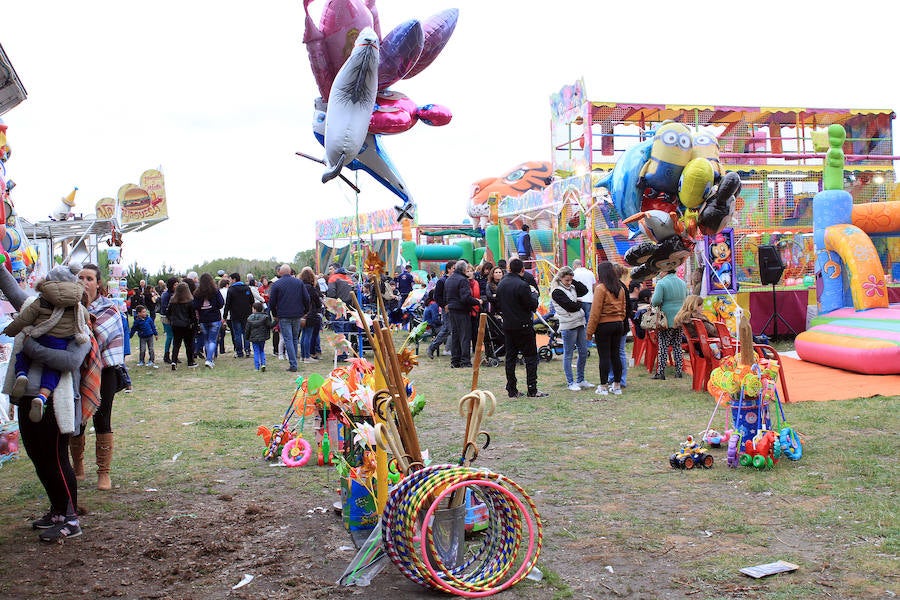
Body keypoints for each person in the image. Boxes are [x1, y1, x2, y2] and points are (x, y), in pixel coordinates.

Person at [0, 264, 92, 541]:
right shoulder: (35, 306)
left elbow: (70, 361)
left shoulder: (79, 319)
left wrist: (31, 347)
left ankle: (71, 518)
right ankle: (57, 511)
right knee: (38, 457)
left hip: (56, 401)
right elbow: (9, 285)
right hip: (28, 396)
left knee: (55, 458)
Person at [3, 265, 92, 422]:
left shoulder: (37, 303)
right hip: (56, 399)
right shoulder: (78, 316)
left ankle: (21, 375)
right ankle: (42, 396)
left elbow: (70, 362)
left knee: (22, 357)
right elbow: (69, 361)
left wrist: (29, 345)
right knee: (52, 371)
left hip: (30, 396)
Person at [77, 263, 126, 491]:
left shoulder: (110, 309)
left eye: (89, 278)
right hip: (75, 368)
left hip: (105, 370)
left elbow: (95, 335)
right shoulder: (68, 307)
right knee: (76, 419)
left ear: (98, 283)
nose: (84, 282)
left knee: (102, 418)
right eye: (81, 278)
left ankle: (103, 473)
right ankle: (77, 466)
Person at [494, 258, 547, 398]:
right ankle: (532, 388)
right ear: (522, 270)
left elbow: (497, 304)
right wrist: (534, 295)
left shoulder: (502, 283)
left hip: (508, 325)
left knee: (510, 358)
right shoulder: (522, 285)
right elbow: (531, 305)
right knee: (530, 357)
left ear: (509, 269)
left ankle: (512, 388)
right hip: (523, 325)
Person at [586, 261, 627, 396]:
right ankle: (617, 385)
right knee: (616, 355)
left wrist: (589, 331)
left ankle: (603, 386)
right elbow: (623, 308)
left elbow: (595, 312)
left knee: (604, 356)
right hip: (618, 324)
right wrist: (620, 320)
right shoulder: (620, 288)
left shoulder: (601, 288)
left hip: (604, 325)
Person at [550, 266, 592, 391]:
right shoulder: (557, 292)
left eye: (571, 280)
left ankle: (581, 379)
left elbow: (584, 290)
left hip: (579, 322)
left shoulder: (572, 287)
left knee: (583, 351)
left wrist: (573, 281)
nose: (569, 282)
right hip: (568, 325)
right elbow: (570, 306)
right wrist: (579, 304)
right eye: (567, 280)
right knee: (568, 354)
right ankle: (570, 382)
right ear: (561, 278)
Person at [650, 261, 689, 380]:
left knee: (663, 345)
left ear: (665, 270)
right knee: (677, 345)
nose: (660, 273)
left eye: (661, 270)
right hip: (679, 318)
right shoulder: (682, 283)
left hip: (666, 318)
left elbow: (656, 301)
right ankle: (679, 371)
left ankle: (660, 372)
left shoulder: (662, 283)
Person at [269, 264, 310, 372]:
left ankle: (293, 364)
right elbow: (306, 298)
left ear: (280, 272)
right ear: (290, 272)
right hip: (297, 314)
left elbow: (272, 302)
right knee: (295, 338)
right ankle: (294, 362)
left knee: (288, 339)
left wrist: (275, 314)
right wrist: (305, 311)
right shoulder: (299, 283)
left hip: (283, 315)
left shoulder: (277, 284)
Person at [444, 260, 480, 368]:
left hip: (452, 309)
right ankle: (465, 361)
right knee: (465, 336)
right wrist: (477, 301)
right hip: (462, 310)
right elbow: (465, 298)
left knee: (455, 335)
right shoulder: (463, 280)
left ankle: (455, 361)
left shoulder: (449, 279)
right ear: (464, 269)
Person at [605, 264, 633, 389]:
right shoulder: (623, 287)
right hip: (622, 323)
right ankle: (617, 378)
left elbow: (626, 308)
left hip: (617, 323)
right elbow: (629, 309)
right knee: (617, 352)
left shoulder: (617, 288)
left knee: (617, 352)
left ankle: (618, 378)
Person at [673, 294, 721, 359]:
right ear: (696, 306)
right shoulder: (698, 319)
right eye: (701, 306)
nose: (702, 308)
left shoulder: (682, 317)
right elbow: (713, 332)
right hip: (704, 346)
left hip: (696, 345)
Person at [193, 273, 225, 369]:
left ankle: (209, 358)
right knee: (212, 340)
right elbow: (221, 303)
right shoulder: (215, 291)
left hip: (203, 319)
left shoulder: (197, 293)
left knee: (207, 340)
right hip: (214, 318)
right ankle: (209, 359)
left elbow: (195, 306)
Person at [426, 261, 455, 360]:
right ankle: (432, 347)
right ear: (449, 269)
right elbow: (436, 296)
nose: (455, 271)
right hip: (446, 308)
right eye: (454, 268)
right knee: (447, 329)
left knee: (452, 330)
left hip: (455, 308)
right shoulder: (442, 281)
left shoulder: (456, 279)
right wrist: (444, 305)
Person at [167, 282, 198, 370]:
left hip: (175, 325)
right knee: (189, 344)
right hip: (187, 325)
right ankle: (190, 362)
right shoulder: (190, 302)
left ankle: (173, 361)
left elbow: (168, 313)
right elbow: (193, 315)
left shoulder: (172, 301)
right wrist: (194, 324)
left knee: (176, 344)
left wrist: (172, 320)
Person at [224, 272, 255, 358]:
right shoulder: (246, 288)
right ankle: (247, 350)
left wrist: (225, 316)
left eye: (230, 279)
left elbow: (227, 304)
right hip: (246, 314)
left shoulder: (231, 290)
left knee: (237, 334)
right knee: (246, 333)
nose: (229, 281)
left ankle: (239, 352)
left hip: (235, 315)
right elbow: (252, 300)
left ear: (234, 279)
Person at [299, 267, 323, 364]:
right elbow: (317, 301)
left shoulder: (299, 287)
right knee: (308, 335)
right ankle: (307, 356)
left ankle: (303, 355)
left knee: (304, 335)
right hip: (311, 313)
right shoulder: (311, 288)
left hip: (301, 314)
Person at [245, 301, 272, 371]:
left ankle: (257, 367)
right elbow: (269, 325)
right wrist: (275, 321)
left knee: (256, 352)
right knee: (262, 350)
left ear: (254, 309)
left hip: (253, 338)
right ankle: (263, 364)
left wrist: (247, 337)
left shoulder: (250, 318)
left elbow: (247, 329)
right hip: (262, 337)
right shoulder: (265, 317)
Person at [159, 277, 178, 365]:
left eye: (177, 284)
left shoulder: (176, 293)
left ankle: (175, 355)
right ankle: (166, 355)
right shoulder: (166, 295)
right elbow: (164, 308)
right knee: (170, 336)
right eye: (175, 284)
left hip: (175, 317)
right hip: (167, 318)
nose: (176, 286)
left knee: (175, 337)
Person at [465, 263, 482, 353]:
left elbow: (478, 295)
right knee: (467, 332)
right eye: (467, 271)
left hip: (476, 310)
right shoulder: (463, 283)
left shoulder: (476, 283)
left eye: (471, 271)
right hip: (467, 310)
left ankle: (476, 349)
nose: (469, 273)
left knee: (475, 331)